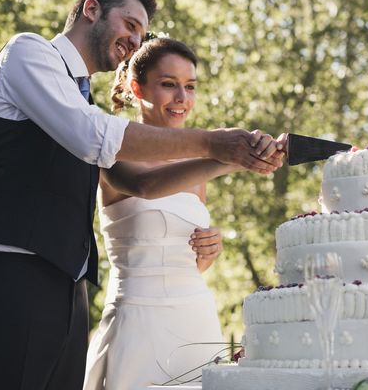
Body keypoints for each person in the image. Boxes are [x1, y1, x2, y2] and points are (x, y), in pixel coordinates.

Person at [0, 0, 284, 390]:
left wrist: (231, 158)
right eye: (130, 24)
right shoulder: (28, 53)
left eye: (141, 31)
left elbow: (143, 184)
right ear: (91, 10)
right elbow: (91, 134)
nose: (135, 39)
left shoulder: (79, 100)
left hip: (66, 290)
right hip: (13, 275)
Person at [83, 37, 266, 389]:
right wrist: (229, 159)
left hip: (195, 316)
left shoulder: (198, 169)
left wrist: (209, 250)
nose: (182, 98)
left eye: (190, 87)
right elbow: (149, 186)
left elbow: (186, 257)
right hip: (139, 320)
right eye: (169, 85)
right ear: (137, 88)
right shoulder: (112, 150)